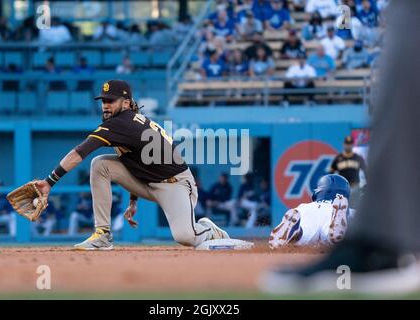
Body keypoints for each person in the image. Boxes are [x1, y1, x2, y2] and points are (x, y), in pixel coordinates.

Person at [260, 0, 420, 295]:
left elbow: (276, 241)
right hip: (352, 216)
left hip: (320, 223)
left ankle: (380, 248)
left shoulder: (305, 208)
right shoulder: (356, 206)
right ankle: (381, 244)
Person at [29, 79, 229, 250]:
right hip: (150, 181)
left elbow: (80, 151)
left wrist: (49, 181)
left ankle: (208, 229)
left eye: (111, 101)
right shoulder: (126, 121)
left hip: (175, 185)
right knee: (100, 165)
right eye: (103, 101)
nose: (105, 105)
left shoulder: (121, 123)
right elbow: (136, 161)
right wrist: (133, 201)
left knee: (185, 237)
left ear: (125, 103)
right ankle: (102, 235)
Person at [268, 174, 352, 248]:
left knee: (305, 233)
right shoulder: (345, 207)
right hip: (333, 211)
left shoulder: (304, 207)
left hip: (311, 210)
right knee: (329, 236)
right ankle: (336, 229)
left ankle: (297, 233)